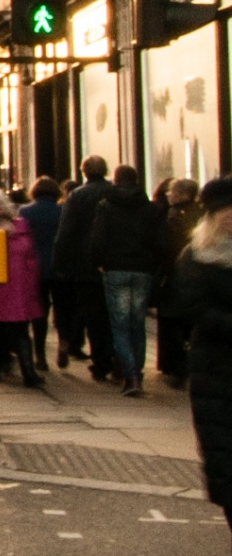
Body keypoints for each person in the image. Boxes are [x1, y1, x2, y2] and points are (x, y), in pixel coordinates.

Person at [175, 178, 232, 544]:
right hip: (216, 370)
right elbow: (191, 309)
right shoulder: (196, 256)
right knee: (225, 459)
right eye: (226, 213)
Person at [89, 162, 167, 397]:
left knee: (120, 325)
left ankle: (130, 375)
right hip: (142, 269)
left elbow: (98, 239)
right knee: (137, 323)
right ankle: (138, 372)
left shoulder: (106, 206)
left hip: (115, 269)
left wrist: (99, 262)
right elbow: (161, 243)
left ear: (115, 179)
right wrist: (153, 265)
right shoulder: (151, 209)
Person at [52, 153, 114, 380]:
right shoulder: (114, 192)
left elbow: (65, 232)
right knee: (111, 314)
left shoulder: (78, 196)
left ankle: (100, 362)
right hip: (112, 262)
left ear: (84, 172)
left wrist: (59, 264)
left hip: (85, 266)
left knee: (94, 315)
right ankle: (114, 357)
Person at [0, 185, 44, 387]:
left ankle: (29, 372)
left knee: (20, 331)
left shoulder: (21, 225)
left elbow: (30, 256)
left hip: (19, 287)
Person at [155, 178, 200, 384]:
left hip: (177, 274)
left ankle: (176, 367)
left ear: (183, 194)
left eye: (172, 191)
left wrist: (161, 274)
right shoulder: (201, 213)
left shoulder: (174, 216)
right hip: (195, 275)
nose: (168, 195)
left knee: (172, 321)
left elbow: (168, 247)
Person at [20, 176, 62, 370]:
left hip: (35, 267)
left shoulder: (25, 212)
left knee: (40, 312)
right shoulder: (62, 211)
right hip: (59, 267)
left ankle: (40, 354)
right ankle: (64, 341)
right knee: (62, 308)